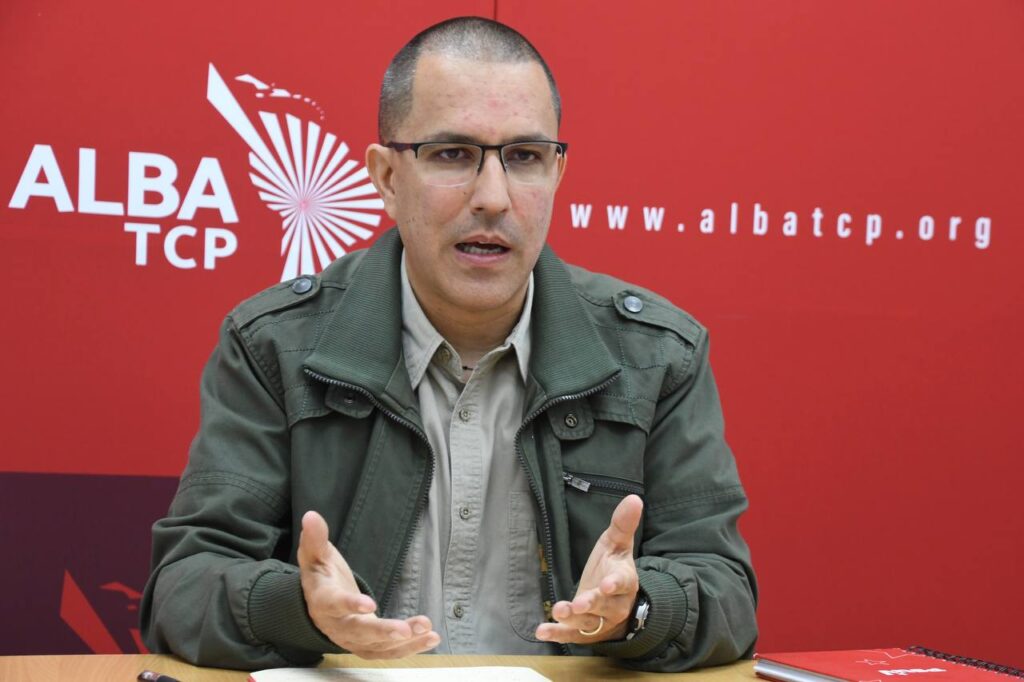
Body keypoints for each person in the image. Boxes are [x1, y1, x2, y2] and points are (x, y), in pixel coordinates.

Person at [140, 16, 758, 672]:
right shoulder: (274, 346)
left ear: (557, 173)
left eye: (525, 157)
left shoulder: (657, 356)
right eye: (452, 155)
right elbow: (183, 589)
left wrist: (638, 609)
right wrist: (300, 610)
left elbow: (725, 593)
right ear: (386, 177)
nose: (493, 198)